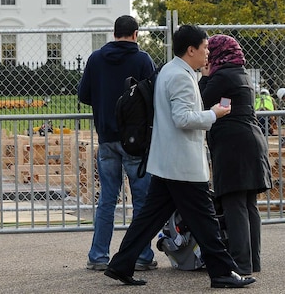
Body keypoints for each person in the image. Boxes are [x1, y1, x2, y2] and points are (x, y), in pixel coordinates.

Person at [104, 24, 255, 289]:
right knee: (205, 220)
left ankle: (120, 264)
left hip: (169, 162)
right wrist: (214, 114)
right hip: (183, 164)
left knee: (149, 218)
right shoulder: (181, 77)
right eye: (205, 47)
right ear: (191, 49)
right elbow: (182, 118)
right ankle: (222, 272)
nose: (208, 53)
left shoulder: (171, 71)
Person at [76, 15, 158, 271]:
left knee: (107, 199)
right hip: (135, 138)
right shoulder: (142, 59)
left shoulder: (96, 59)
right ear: (135, 34)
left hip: (107, 137)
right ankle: (142, 255)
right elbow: (154, 93)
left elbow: (83, 94)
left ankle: (99, 255)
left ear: (114, 33)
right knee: (142, 200)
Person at [199, 34, 272, 275]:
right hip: (251, 142)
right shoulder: (240, 74)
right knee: (248, 204)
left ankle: (241, 264)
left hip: (233, 145)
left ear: (220, 53)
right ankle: (253, 262)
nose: (207, 56)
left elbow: (201, 100)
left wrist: (204, 76)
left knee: (234, 204)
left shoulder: (222, 76)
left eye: (211, 51)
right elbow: (222, 103)